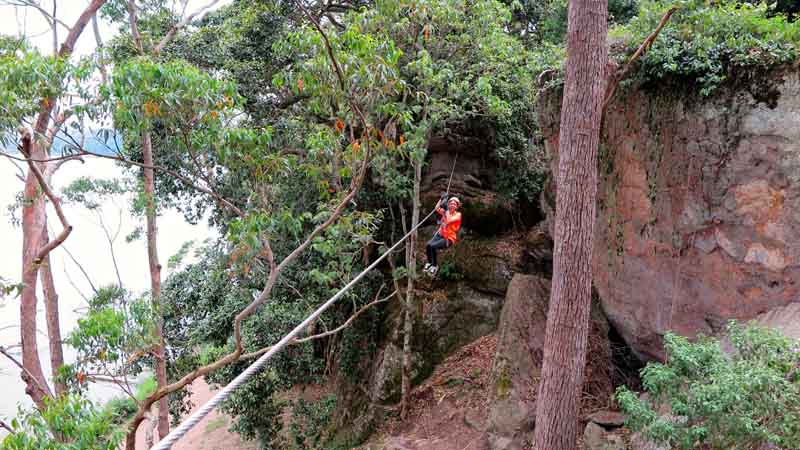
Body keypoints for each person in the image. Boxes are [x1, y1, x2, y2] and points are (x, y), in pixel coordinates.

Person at [424, 195, 462, 276]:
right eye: (451, 203)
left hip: (449, 238)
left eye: (454, 204)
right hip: (441, 234)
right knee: (428, 245)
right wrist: (441, 199)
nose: (452, 205)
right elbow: (436, 208)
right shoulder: (446, 211)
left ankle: (434, 266)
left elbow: (449, 221)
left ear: (457, 207)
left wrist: (446, 209)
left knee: (433, 246)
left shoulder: (458, 215)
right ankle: (430, 262)